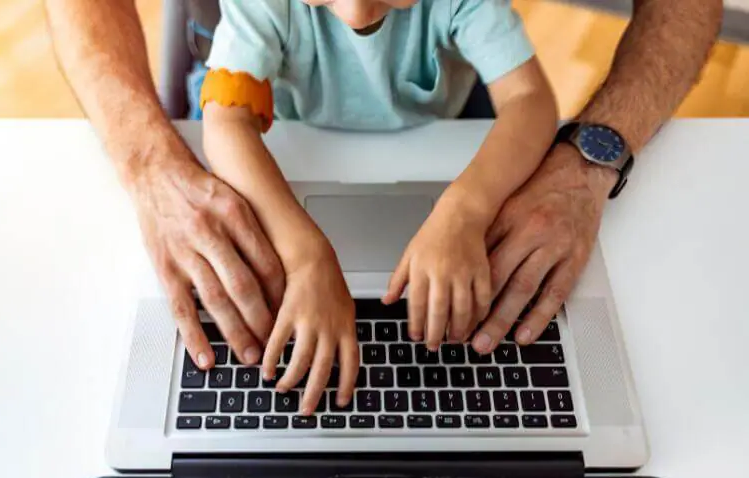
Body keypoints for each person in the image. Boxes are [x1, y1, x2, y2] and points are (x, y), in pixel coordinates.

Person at [45, 0, 723, 414]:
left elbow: (529, 104)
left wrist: (463, 210)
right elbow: (225, 122)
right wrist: (305, 251)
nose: (358, 12)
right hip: (294, 138)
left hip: (447, 126)